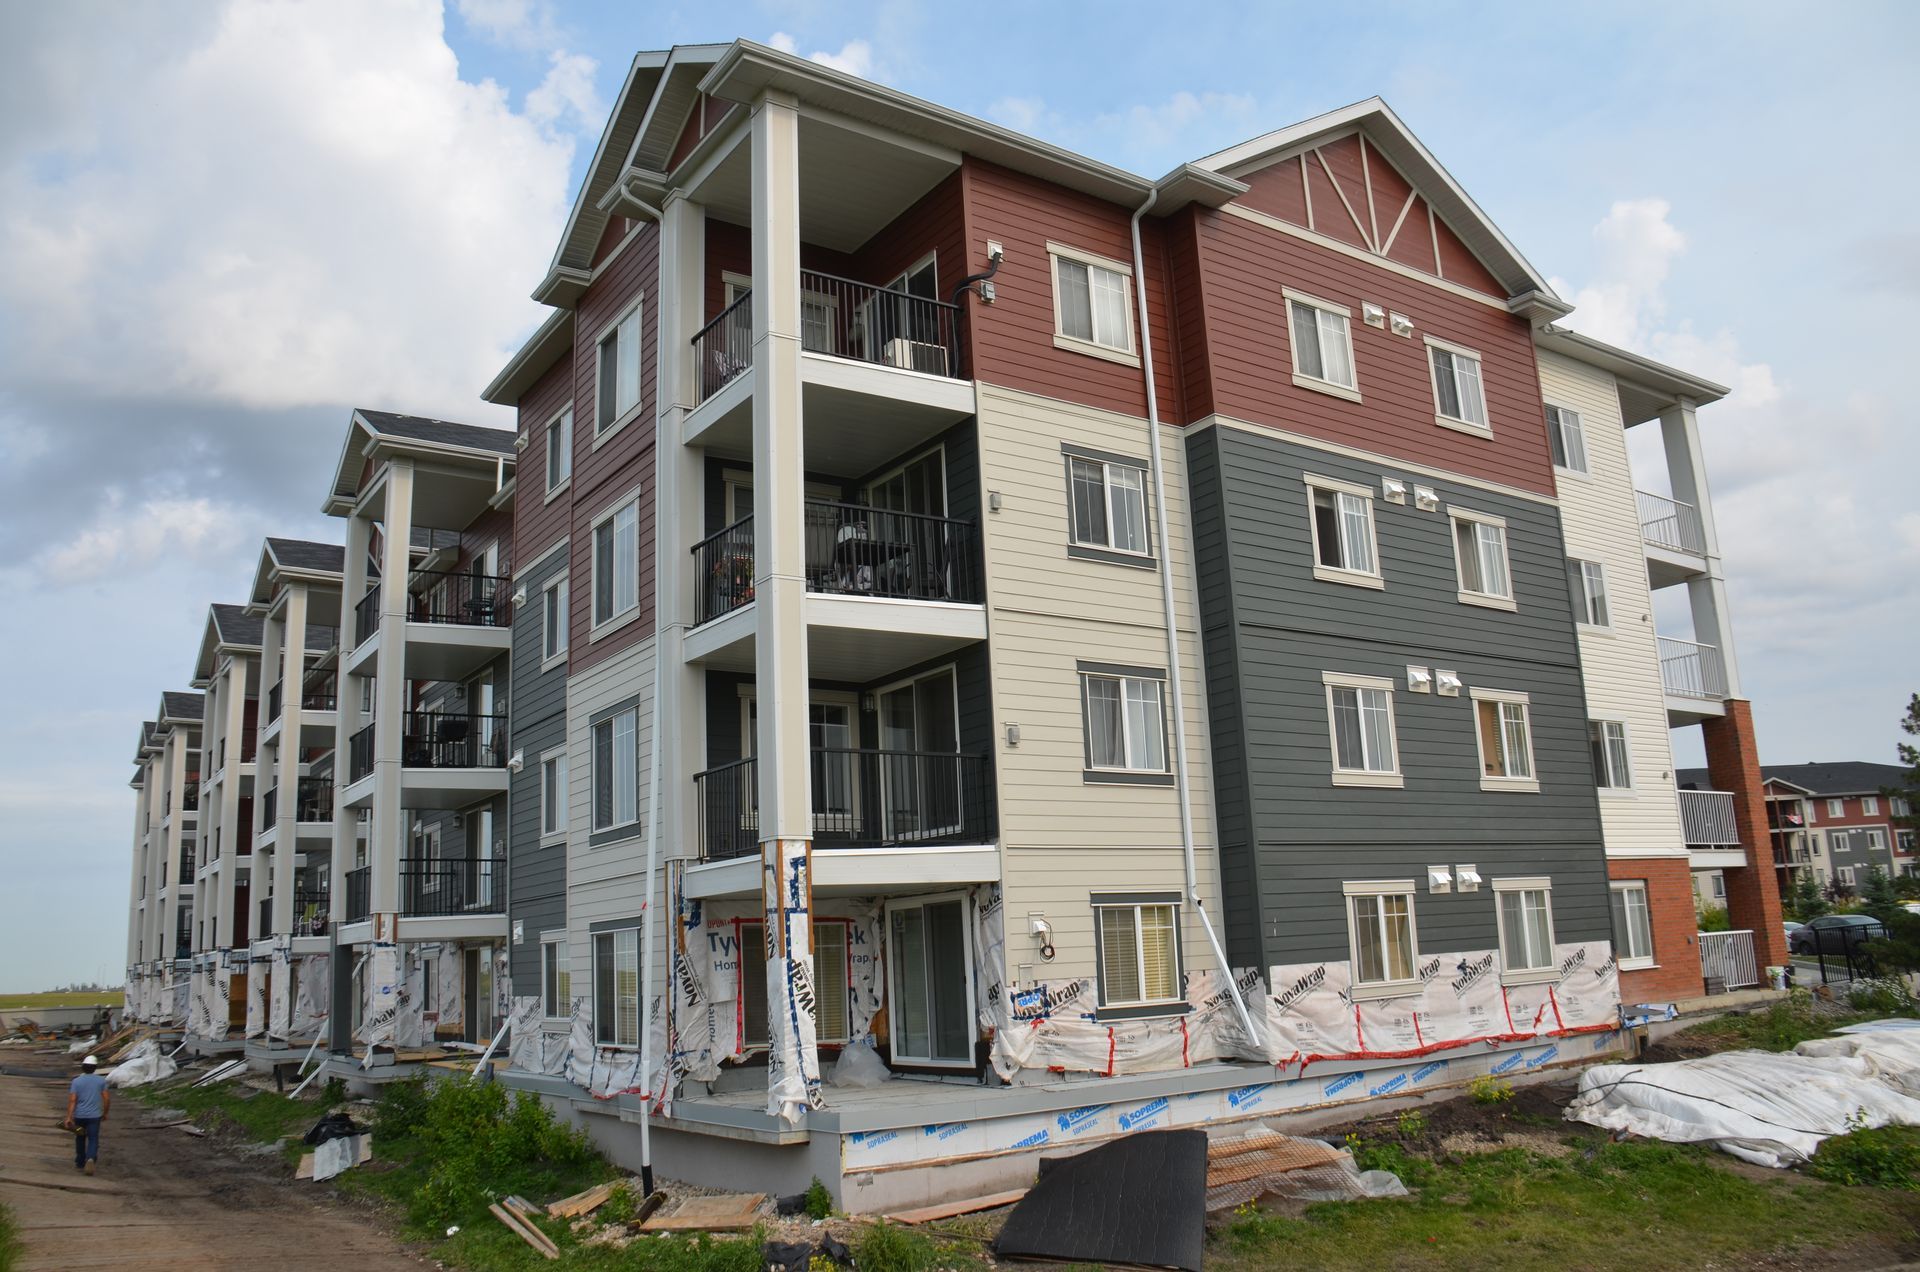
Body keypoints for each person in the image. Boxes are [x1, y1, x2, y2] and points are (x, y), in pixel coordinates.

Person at [64, 1054, 110, 1175]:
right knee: (93, 1138)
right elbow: (106, 1099)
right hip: (95, 1116)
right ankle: (90, 1158)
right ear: (95, 1068)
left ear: (83, 1067)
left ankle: (80, 1162)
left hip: (79, 1116)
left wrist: (69, 1116)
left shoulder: (76, 1081)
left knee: (80, 1137)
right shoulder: (101, 1081)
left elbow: (73, 1100)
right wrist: (105, 1113)